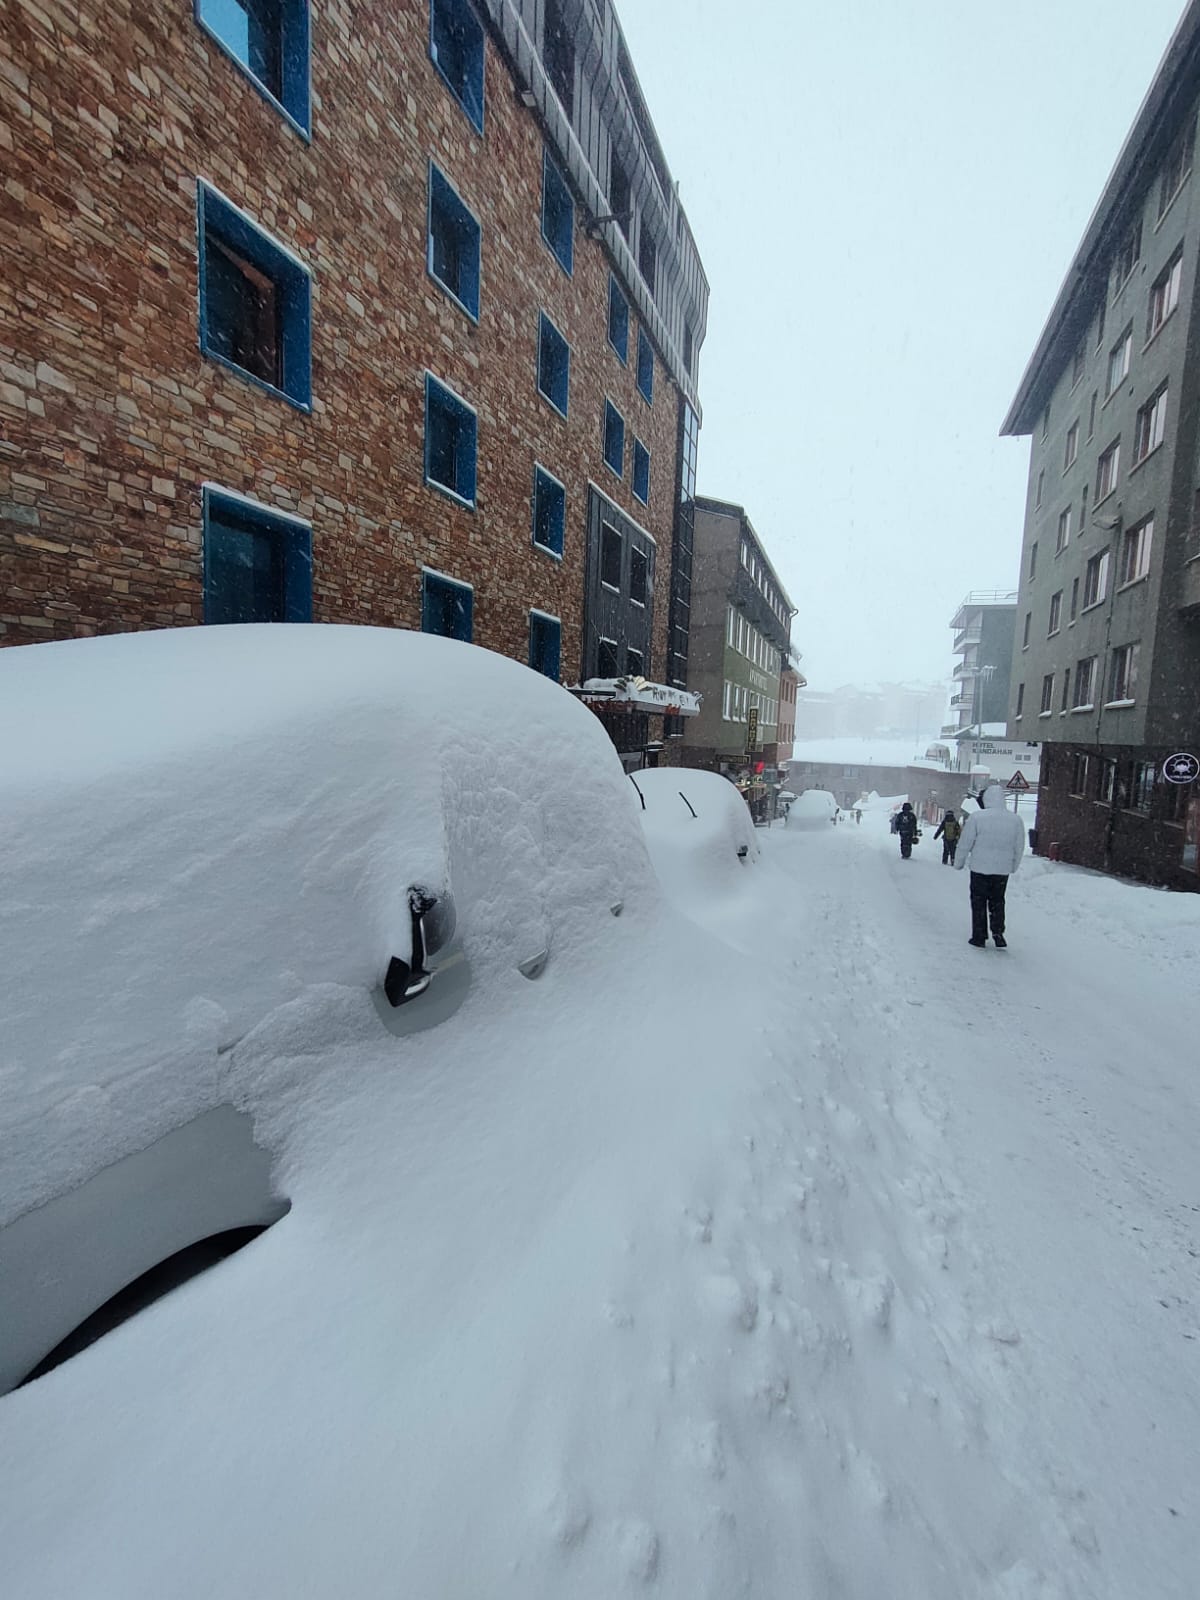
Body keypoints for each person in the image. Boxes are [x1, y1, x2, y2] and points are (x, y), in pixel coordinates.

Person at [954, 784, 1025, 947]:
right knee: (998, 901)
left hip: (979, 868)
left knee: (979, 901)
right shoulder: (1015, 820)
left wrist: (959, 862)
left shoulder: (977, 818)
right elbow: (1019, 846)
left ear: (986, 799)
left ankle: (979, 936)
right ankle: (998, 932)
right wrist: (1014, 865)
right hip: (1002, 870)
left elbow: (965, 843)